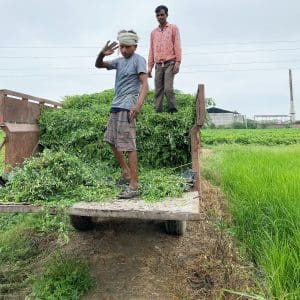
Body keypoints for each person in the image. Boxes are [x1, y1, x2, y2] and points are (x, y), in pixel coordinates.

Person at [95, 30, 148, 199]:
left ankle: (134, 186)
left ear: (135, 46)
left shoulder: (139, 60)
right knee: (110, 141)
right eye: (122, 47)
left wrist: (137, 106)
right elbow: (98, 65)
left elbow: (145, 85)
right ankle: (126, 173)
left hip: (128, 107)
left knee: (129, 146)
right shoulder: (118, 62)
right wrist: (101, 54)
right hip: (116, 106)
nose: (124, 50)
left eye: (128, 47)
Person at [148, 5, 182, 113]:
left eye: (162, 15)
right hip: (158, 65)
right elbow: (151, 50)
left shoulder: (173, 28)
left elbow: (177, 45)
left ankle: (172, 110)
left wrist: (178, 62)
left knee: (168, 89)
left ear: (166, 15)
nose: (160, 17)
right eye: (158, 15)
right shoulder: (153, 33)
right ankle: (158, 111)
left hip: (170, 63)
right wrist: (149, 67)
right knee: (158, 90)